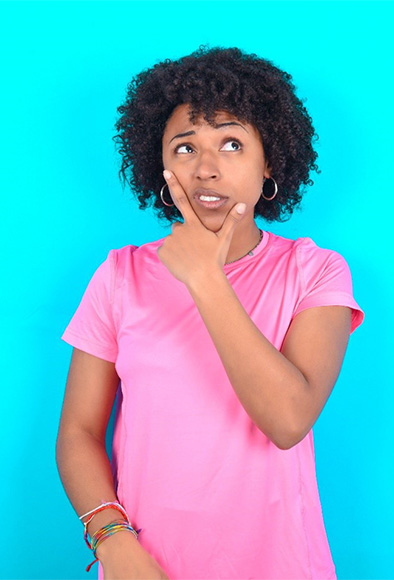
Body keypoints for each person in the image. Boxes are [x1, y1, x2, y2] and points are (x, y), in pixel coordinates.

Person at [56, 46, 364, 580]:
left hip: (279, 564)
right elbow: (80, 430)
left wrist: (205, 276)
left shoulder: (314, 272)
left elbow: (288, 420)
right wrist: (111, 541)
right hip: (145, 564)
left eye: (231, 143)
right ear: (161, 165)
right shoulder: (119, 276)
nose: (205, 168)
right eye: (184, 147)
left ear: (269, 160)